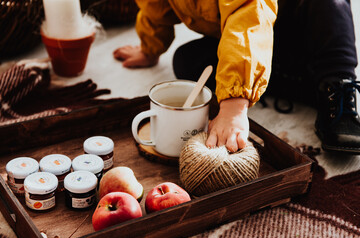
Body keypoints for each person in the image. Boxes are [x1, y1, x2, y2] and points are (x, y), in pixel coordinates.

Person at [114, 0, 359, 154]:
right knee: (187, 62)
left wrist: (233, 108)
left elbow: (248, 17)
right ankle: (302, 82)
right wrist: (150, 46)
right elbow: (155, 6)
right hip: (263, 46)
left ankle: (335, 85)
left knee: (331, 5)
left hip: (303, 22)